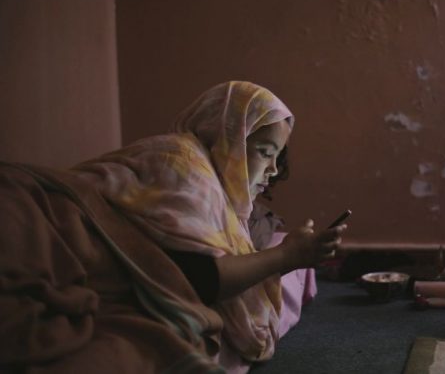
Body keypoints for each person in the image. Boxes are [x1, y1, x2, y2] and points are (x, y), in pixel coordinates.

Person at [0, 81, 347, 373]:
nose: (272, 169)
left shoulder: (216, 194)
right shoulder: (183, 164)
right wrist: (287, 256)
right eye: (265, 152)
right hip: (39, 211)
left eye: (276, 156)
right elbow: (199, 279)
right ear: (224, 137)